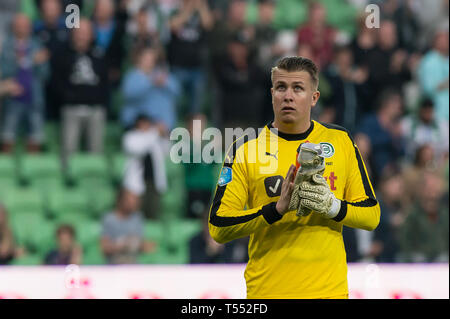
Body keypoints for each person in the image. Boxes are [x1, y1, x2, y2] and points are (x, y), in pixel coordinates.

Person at [208, 56, 380, 299]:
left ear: (314, 97)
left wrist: (331, 206)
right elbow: (218, 226)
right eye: (281, 87)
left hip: (329, 293)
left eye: (298, 88)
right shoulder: (245, 148)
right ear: (272, 94)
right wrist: (275, 210)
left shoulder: (340, 141)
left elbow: (371, 215)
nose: (288, 95)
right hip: (268, 293)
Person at [53, 18, 108, 165]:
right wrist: (69, 97)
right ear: (73, 34)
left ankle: (94, 181)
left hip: (95, 109)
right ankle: (68, 182)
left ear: (92, 35)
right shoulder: (63, 54)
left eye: (85, 32)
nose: (82, 36)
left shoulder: (99, 54)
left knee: (96, 152)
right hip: (71, 108)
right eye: (79, 32)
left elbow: (105, 82)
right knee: (68, 152)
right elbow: (56, 82)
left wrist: (99, 100)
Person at [0, 14, 49, 153]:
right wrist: (25, 61)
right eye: (19, 26)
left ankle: (34, 169)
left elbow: (45, 74)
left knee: (35, 136)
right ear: (14, 27)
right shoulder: (7, 46)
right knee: (7, 136)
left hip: (34, 97)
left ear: (30, 28)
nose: (22, 29)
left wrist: (37, 62)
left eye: (25, 26)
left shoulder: (37, 45)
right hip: (12, 97)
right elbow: (4, 70)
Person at [120, 45, 181, 132]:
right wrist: (150, 84)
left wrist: (165, 83)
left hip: (161, 125)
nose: (149, 61)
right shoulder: (132, 76)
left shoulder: (161, 74)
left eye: (152, 58)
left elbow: (177, 91)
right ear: (139, 58)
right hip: (138, 124)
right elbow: (129, 95)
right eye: (146, 58)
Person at [122, 114, 168, 219]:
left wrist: (164, 135)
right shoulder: (130, 137)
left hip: (153, 181)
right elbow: (139, 148)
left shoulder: (154, 137)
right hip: (136, 183)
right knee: (135, 214)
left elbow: (166, 151)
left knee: (152, 213)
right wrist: (155, 132)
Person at [100, 188, 156, 264]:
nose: (134, 202)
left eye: (135, 200)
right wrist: (122, 245)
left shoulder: (138, 218)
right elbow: (105, 248)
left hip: (133, 264)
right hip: (114, 265)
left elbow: (144, 245)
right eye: (130, 200)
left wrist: (137, 245)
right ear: (120, 201)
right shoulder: (109, 219)